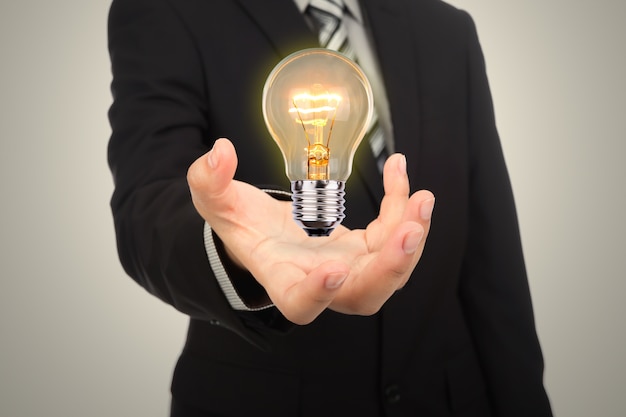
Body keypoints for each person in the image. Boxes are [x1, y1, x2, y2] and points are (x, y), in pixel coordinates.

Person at [107, 0, 553, 416]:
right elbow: (146, 207)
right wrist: (239, 253)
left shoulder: (445, 29)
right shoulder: (166, 10)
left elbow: (492, 263)